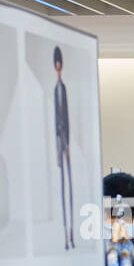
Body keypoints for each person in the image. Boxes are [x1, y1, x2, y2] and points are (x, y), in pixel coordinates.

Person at [53, 47, 73, 250]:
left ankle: (71, 233)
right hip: (60, 142)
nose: (58, 68)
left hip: (65, 142)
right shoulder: (56, 89)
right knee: (63, 187)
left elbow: (65, 119)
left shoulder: (63, 88)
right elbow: (56, 121)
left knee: (69, 187)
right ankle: (66, 234)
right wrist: (58, 146)